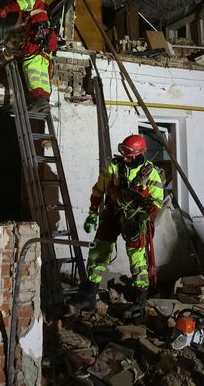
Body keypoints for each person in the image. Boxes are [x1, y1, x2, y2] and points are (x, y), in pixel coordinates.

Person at [71, 134, 165, 314]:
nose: (124, 157)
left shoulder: (150, 173)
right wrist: (92, 211)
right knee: (99, 251)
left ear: (140, 153)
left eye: (128, 154)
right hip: (113, 214)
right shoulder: (114, 167)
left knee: (137, 258)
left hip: (135, 220)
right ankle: (90, 296)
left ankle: (140, 301)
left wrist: (144, 216)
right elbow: (98, 189)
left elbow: (157, 201)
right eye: (123, 152)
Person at [0, 0, 58, 112]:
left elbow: (21, 4)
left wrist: (6, 9)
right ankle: (43, 101)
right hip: (49, 38)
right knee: (42, 70)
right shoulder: (41, 6)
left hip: (39, 36)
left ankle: (38, 100)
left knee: (30, 65)